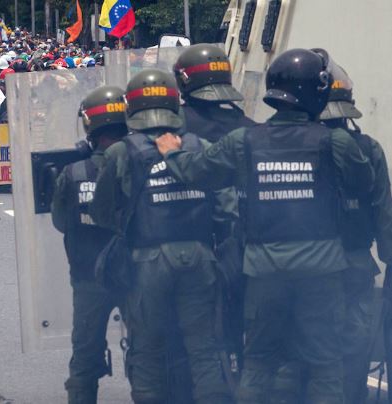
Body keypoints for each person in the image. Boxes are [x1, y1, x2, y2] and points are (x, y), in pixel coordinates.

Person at [154, 48, 375, 404]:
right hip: (321, 273)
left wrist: (172, 152)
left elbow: (197, 172)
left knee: (258, 363)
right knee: (324, 366)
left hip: (263, 270)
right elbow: (363, 183)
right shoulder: (335, 142)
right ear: (316, 93)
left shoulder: (245, 141)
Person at [90, 69, 234, 404]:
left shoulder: (121, 153)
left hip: (147, 262)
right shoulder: (200, 146)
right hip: (200, 258)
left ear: (131, 108)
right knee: (204, 349)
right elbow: (227, 208)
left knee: (147, 350)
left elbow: (101, 212)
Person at [174, 42, 256, 382]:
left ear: (183, 81)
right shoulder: (250, 126)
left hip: (190, 243)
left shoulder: (173, 127)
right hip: (249, 244)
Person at [318, 61, 392, 404]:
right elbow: (383, 210)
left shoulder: (297, 145)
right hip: (356, 261)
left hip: (306, 264)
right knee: (355, 343)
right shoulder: (369, 149)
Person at [50, 86, 128, 404]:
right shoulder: (143, 165)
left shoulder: (74, 173)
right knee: (151, 351)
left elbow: (59, 223)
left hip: (88, 277)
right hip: (134, 274)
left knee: (84, 356)